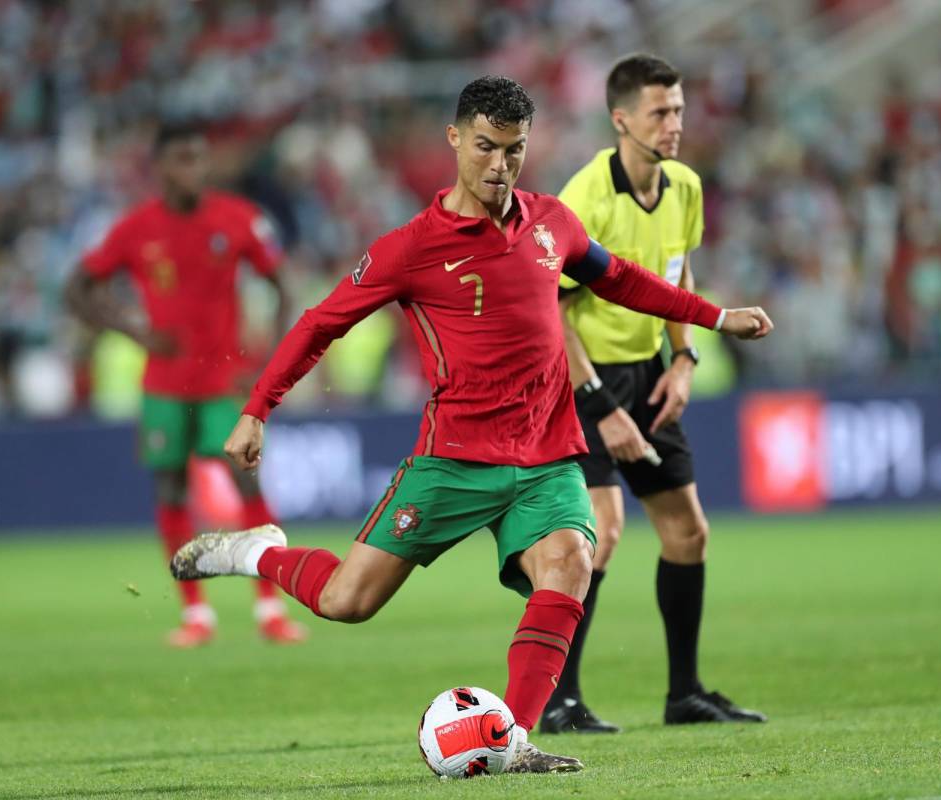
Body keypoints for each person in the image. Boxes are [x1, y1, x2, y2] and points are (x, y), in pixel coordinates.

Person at [170, 76, 772, 773]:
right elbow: (319, 323)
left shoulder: (553, 224)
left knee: (571, 563)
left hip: (546, 455)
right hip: (453, 461)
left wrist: (715, 317)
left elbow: (623, 280)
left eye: (513, 151)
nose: (499, 166)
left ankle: (513, 740)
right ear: (454, 140)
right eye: (485, 147)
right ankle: (254, 553)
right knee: (346, 601)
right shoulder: (411, 248)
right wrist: (257, 409)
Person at [541, 55, 767, 734]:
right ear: (621, 120)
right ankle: (559, 702)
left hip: (649, 373)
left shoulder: (685, 188)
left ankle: (684, 695)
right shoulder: (584, 200)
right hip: (583, 379)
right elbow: (551, 311)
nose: (674, 125)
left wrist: (685, 357)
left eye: (678, 111)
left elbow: (676, 274)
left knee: (687, 532)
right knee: (600, 533)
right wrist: (602, 407)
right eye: (659, 113)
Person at [66, 122, 306, 648]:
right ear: (160, 167)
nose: (194, 170)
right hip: (165, 387)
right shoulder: (135, 229)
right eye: (182, 160)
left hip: (224, 383)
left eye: (200, 159)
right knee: (170, 489)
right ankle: (196, 614)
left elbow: (283, 283)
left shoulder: (238, 218)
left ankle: (270, 607)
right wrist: (133, 329)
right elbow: (77, 288)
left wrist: (266, 359)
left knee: (247, 483)